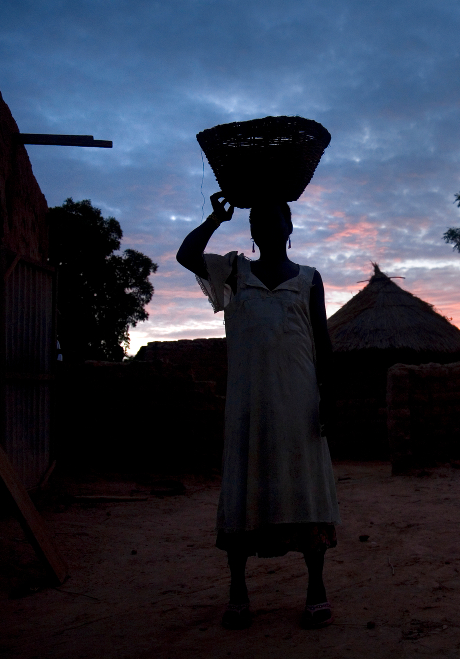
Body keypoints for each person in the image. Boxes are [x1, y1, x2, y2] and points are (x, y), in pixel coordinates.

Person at [176, 192, 340, 630]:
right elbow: (186, 254)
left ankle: (315, 588)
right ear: (251, 233)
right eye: (259, 221)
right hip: (248, 404)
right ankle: (238, 590)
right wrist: (215, 216)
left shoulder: (309, 279)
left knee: (304, 484)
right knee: (244, 485)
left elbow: (322, 343)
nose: (268, 227)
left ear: (289, 228)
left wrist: (329, 398)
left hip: (299, 401)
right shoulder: (234, 272)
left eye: (276, 219)